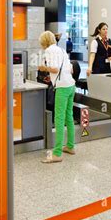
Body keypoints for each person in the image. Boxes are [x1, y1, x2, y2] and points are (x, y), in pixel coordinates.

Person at [38, 31, 76, 163]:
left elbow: (54, 69)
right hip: (71, 85)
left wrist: (43, 68)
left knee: (59, 119)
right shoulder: (62, 49)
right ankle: (70, 146)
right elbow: (71, 69)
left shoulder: (49, 50)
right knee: (68, 116)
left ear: (44, 42)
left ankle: (57, 153)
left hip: (62, 87)